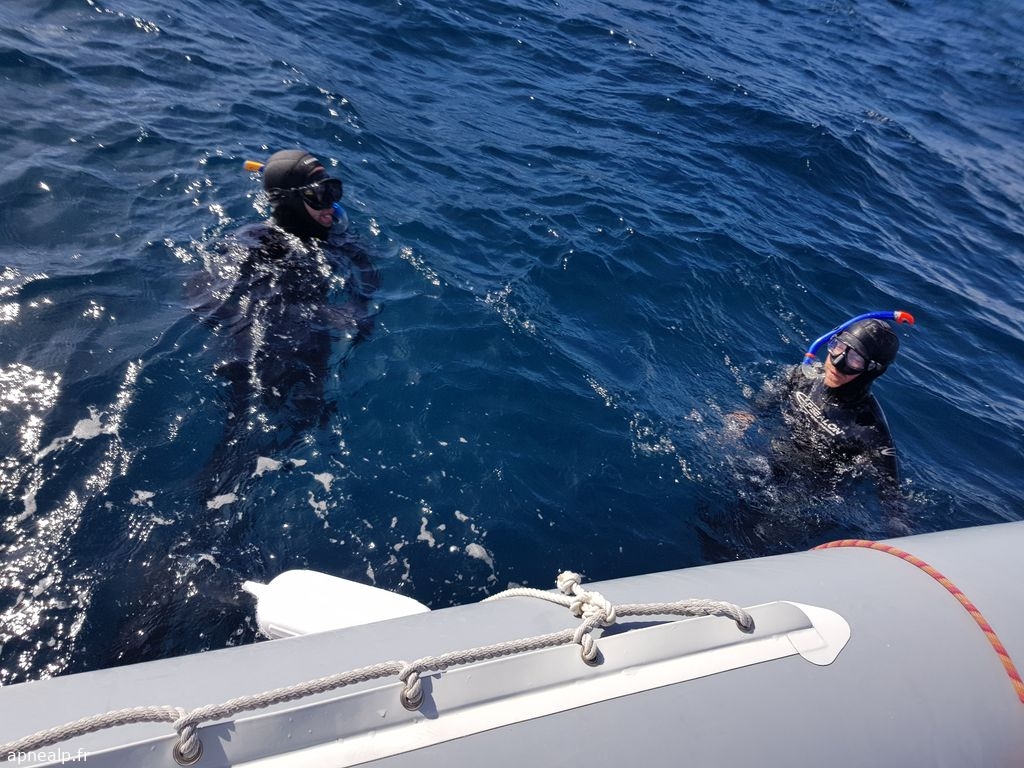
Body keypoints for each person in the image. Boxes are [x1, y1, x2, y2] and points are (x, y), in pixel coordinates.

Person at [187, 147, 380, 468]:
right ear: (289, 201)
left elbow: (368, 279)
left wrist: (355, 309)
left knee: (306, 423)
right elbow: (200, 294)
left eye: (333, 191)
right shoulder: (258, 240)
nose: (330, 204)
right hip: (260, 341)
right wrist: (243, 321)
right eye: (319, 194)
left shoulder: (335, 237)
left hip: (312, 341)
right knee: (240, 431)